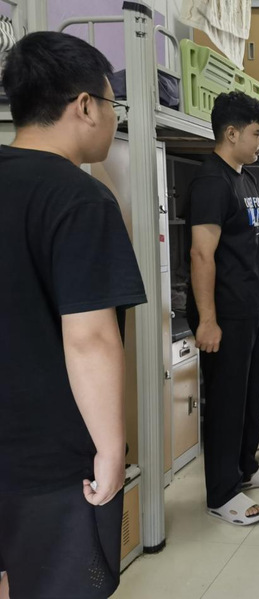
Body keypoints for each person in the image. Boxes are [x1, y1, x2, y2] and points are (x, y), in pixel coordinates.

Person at [0, 31, 146, 598]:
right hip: (50, 458)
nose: (114, 117)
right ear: (85, 105)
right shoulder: (79, 200)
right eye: (112, 103)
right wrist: (110, 450)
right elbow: (90, 339)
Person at [187, 91, 259, 527]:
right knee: (226, 402)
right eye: (257, 134)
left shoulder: (245, 178)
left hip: (251, 310)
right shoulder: (212, 181)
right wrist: (207, 320)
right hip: (224, 314)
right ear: (231, 133)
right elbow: (201, 254)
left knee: (251, 394)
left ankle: (245, 466)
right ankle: (222, 492)